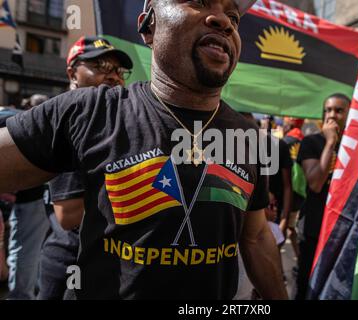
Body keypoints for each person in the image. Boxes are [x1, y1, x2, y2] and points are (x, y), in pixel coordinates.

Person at [0, 0, 287, 299]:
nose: (223, 21)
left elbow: (255, 237)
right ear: (148, 26)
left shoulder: (249, 136)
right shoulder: (89, 112)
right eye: (198, 2)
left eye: (233, 16)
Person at [38, 36, 133, 300]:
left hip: (103, 261)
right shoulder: (72, 123)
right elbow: (68, 215)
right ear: (72, 72)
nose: (113, 76)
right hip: (69, 264)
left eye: (118, 70)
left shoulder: (108, 123)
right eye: (101, 66)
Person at [296, 93, 350, 300]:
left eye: (338, 110)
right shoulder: (311, 142)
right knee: (307, 284)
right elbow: (316, 184)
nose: (332, 115)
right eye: (328, 110)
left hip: (343, 229)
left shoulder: (355, 145)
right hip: (314, 227)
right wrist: (330, 143)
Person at [6, 95, 50, 300]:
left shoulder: (13, 118)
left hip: (30, 195)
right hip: (33, 195)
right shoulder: (24, 122)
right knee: (29, 249)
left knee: (24, 248)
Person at [281, 117, 306, 260]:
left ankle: (278, 269)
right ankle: (300, 261)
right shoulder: (304, 141)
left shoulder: (285, 142)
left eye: (284, 122)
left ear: (290, 123)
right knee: (290, 227)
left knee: (281, 228)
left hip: (287, 191)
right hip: (301, 192)